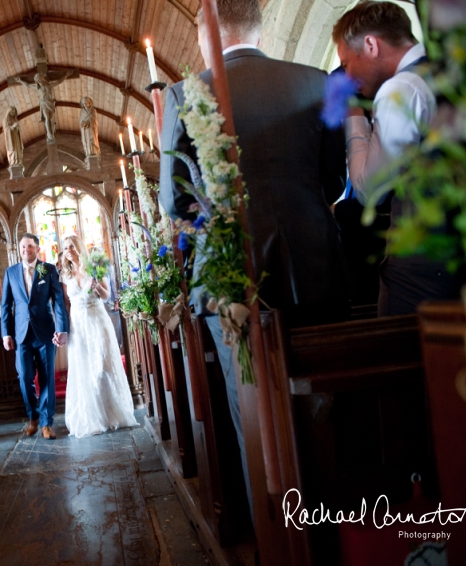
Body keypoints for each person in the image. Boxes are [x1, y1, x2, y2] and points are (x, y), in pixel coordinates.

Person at [159, 0, 349, 523]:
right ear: (257, 26)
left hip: (231, 276)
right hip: (317, 265)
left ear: (207, 30)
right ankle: (338, 533)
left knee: (257, 417)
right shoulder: (315, 81)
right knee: (326, 408)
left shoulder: (184, 96)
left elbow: (173, 203)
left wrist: (218, 216)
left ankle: (277, 537)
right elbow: (335, 178)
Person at [333, 1, 457, 315]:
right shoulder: (445, 68)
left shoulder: (399, 90)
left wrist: (354, 116)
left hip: (423, 268)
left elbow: (368, 190)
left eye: (347, 63)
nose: (348, 76)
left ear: (371, 45)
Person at [59, 235, 136, 437]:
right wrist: (63, 329)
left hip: (96, 319)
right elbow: (66, 305)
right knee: (84, 367)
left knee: (102, 366)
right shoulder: (65, 274)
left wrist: (96, 286)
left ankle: (111, 414)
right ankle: (92, 417)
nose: (69, 250)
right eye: (66, 247)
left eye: (72, 246)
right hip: (78, 325)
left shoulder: (94, 267)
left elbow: (107, 295)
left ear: (79, 247)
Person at [0, 233, 69, 439]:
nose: (25, 250)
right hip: (21, 335)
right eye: (22, 246)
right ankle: (33, 418)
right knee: (24, 377)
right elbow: (5, 305)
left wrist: (62, 328)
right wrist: (6, 334)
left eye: (30, 246)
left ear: (37, 249)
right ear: (19, 249)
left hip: (45, 332)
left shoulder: (47, 270)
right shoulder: (11, 272)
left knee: (47, 377)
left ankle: (47, 423)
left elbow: (57, 300)